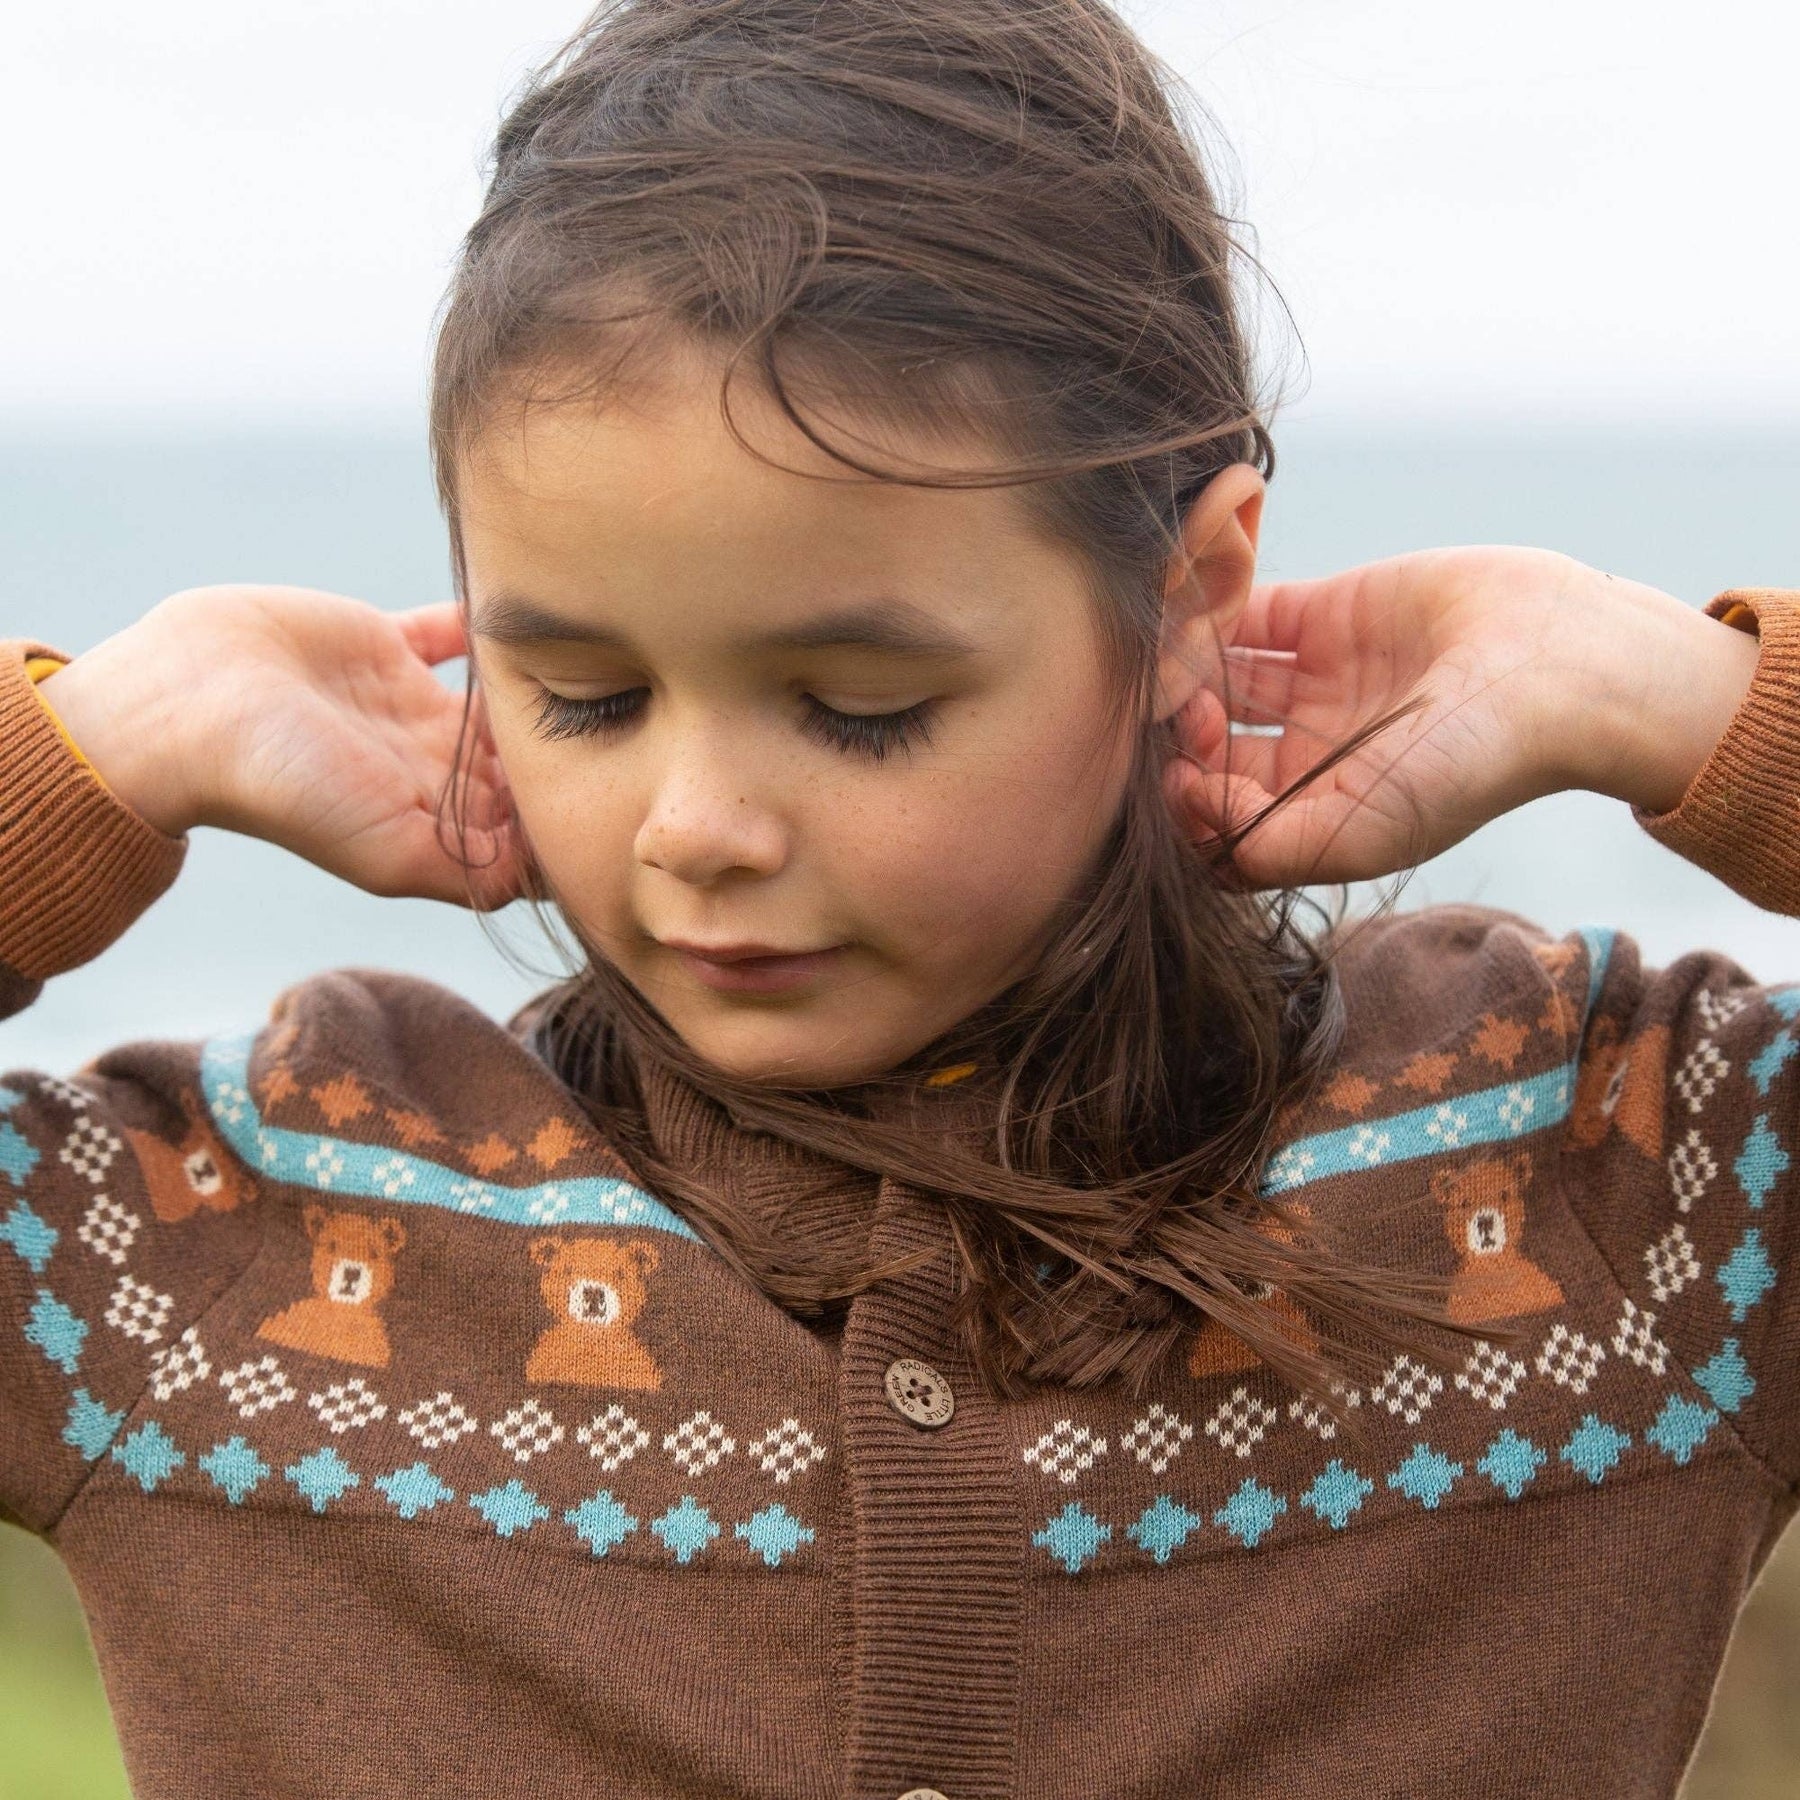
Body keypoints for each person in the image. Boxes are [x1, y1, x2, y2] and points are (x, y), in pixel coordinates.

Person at [0, 2, 1791, 1795]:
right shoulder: (224, 1243)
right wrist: (92, 757)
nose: (695, 827)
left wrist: (1679, 698)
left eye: (862, 707)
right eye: (585, 697)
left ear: (1191, 592)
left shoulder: (1613, 1180)